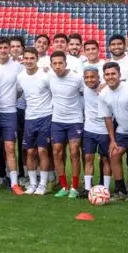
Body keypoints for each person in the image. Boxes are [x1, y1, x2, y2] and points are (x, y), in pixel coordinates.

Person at [98, 62, 128, 201]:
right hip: (122, 130)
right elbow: (108, 118)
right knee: (114, 154)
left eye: (113, 74)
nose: (110, 77)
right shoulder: (103, 94)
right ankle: (121, 190)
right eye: (107, 74)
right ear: (104, 76)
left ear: (119, 75)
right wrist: (113, 141)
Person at [0, 37, 24, 194]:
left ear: (9, 49)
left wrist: (11, 100)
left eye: (5, 48)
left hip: (10, 112)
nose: (3, 50)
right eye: (0, 47)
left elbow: (20, 89)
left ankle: (14, 183)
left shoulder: (17, 67)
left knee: (9, 147)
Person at [47, 51, 84, 198]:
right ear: (50, 65)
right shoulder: (49, 77)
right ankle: (63, 186)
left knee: (74, 152)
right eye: (54, 64)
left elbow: (87, 92)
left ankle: (74, 187)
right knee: (57, 152)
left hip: (75, 120)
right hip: (57, 120)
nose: (57, 66)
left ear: (65, 64)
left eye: (60, 63)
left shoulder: (76, 78)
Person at [17, 47, 53, 195]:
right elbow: (19, 93)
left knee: (42, 151)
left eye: (32, 58)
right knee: (30, 152)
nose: (29, 61)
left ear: (37, 59)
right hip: (29, 117)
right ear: (23, 59)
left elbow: (55, 92)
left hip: (46, 116)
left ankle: (43, 184)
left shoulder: (45, 75)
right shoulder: (20, 77)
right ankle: (32, 183)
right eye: (26, 58)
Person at [81, 67, 111, 196]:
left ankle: (105, 189)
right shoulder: (83, 87)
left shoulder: (107, 89)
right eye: (86, 77)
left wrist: (105, 84)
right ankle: (88, 189)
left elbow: (125, 81)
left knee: (105, 159)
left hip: (105, 131)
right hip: (89, 129)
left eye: (92, 77)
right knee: (88, 158)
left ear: (99, 77)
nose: (89, 80)